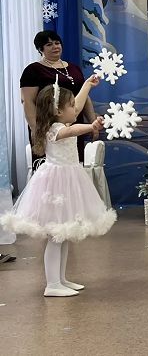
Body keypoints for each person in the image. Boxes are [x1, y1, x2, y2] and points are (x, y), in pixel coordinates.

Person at [0, 75, 116, 296]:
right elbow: (71, 131)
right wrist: (91, 125)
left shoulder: (61, 121)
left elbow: (78, 104)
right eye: (70, 106)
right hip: (56, 185)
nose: (76, 109)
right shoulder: (55, 129)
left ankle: (61, 279)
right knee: (56, 236)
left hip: (69, 179)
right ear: (58, 111)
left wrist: (87, 85)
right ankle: (52, 284)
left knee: (63, 235)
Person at [21, 31, 98, 167]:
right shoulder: (32, 70)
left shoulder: (74, 68)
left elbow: (84, 96)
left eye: (57, 43)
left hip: (74, 121)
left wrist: (93, 122)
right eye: (49, 44)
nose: (55, 47)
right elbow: (27, 101)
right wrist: (36, 129)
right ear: (40, 49)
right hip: (48, 126)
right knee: (50, 167)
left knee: (74, 165)